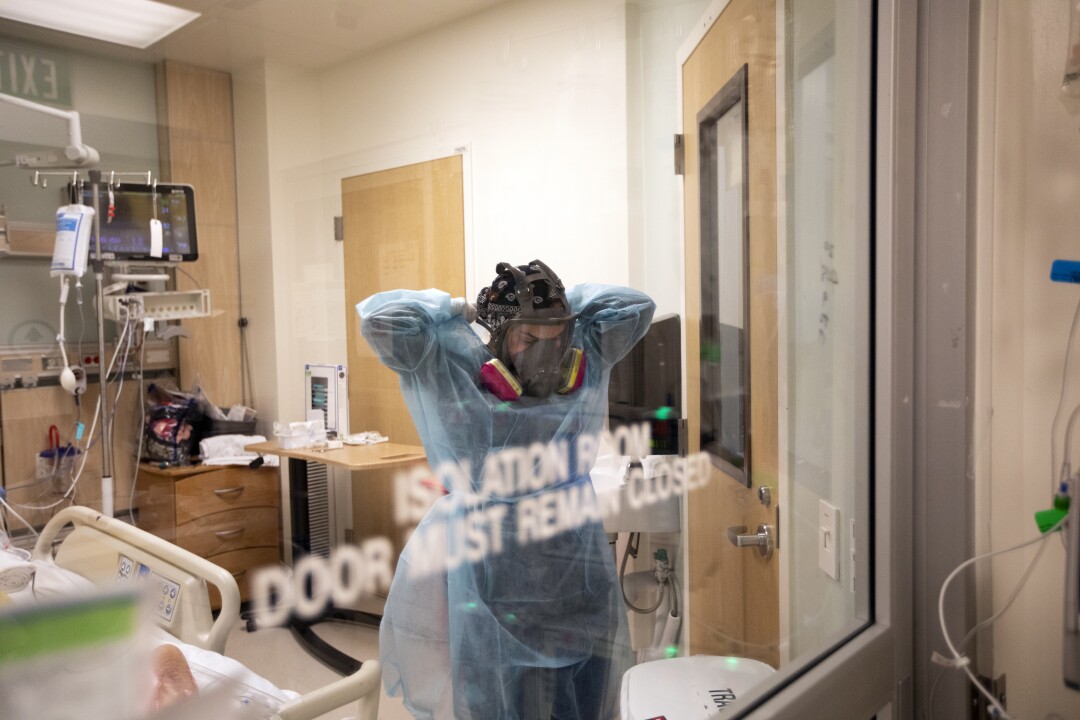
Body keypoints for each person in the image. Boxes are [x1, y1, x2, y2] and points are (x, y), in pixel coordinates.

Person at [359, 260, 655, 719]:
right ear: (497, 337)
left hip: (573, 579)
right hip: (493, 590)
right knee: (497, 702)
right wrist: (452, 310)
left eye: (557, 338)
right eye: (530, 338)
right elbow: (382, 321)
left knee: (587, 697)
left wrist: (563, 307)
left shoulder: (586, 359)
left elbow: (636, 308)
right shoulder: (457, 372)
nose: (547, 352)